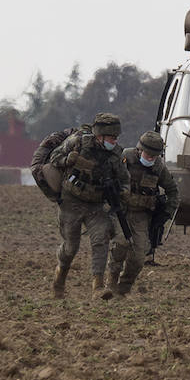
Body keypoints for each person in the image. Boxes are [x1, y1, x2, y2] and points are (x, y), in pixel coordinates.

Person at [47, 111, 130, 298]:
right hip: (71, 202)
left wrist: (123, 191)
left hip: (96, 206)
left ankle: (98, 287)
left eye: (116, 137)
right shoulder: (77, 142)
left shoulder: (116, 154)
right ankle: (59, 278)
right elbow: (54, 158)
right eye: (111, 137)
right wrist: (67, 160)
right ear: (99, 135)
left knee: (101, 240)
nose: (114, 141)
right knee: (70, 248)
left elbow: (126, 179)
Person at [103, 131, 180, 298]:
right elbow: (106, 177)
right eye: (148, 154)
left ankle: (123, 289)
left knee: (138, 257)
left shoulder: (159, 167)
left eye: (155, 155)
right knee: (120, 244)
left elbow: (173, 191)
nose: (151, 158)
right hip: (121, 211)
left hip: (142, 217)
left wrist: (166, 213)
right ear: (139, 150)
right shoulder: (124, 158)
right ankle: (110, 284)